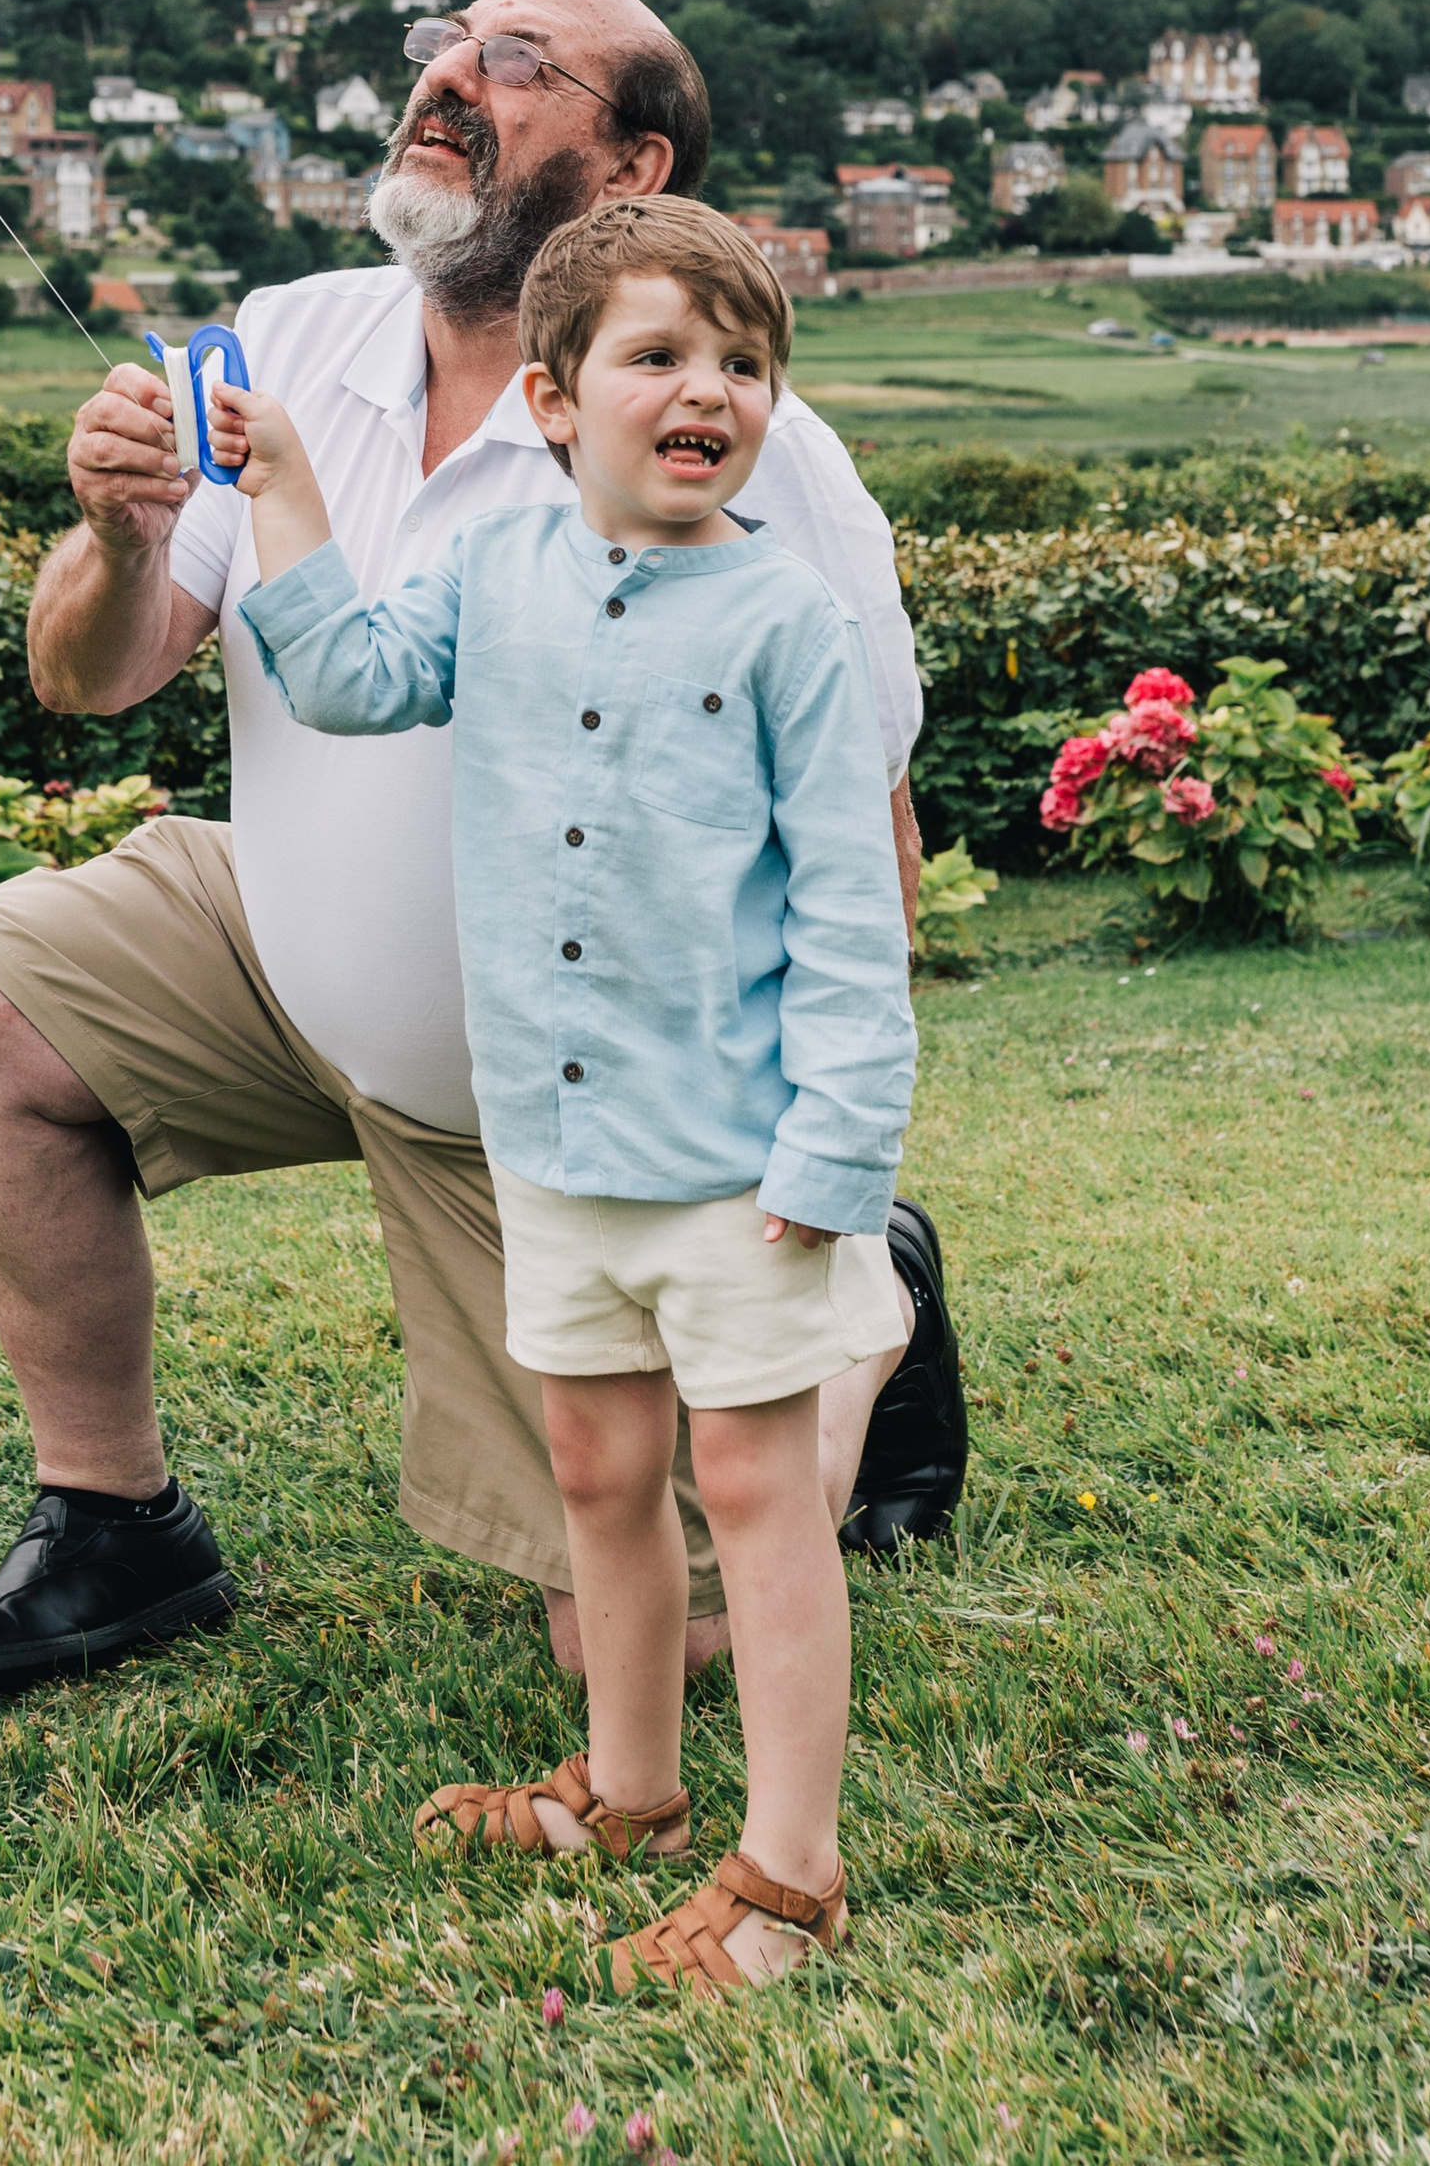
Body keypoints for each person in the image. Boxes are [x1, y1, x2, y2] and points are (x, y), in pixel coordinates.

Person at [0, 0, 965, 1709]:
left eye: (517, 61)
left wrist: (809, 1173)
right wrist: (116, 534)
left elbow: (862, 820)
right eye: (445, 45)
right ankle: (115, 1523)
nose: (452, 76)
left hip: (572, 1108)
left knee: (659, 1644)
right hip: (286, 958)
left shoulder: (751, 454)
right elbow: (91, 678)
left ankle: (873, 1311)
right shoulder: (283, 336)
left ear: (635, 170)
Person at [222, 198, 912, 1993]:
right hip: (553, 1148)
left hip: (737, 1167)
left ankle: (789, 1875)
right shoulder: (494, 571)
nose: (712, 392)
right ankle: (628, 1797)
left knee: (754, 1499)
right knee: (601, 1468)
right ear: (551, 398)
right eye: (662, 356)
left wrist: (836, 1153)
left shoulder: (788, 622)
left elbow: (851, 913)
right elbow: (349, 675)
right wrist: (282, 482)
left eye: (745, 364)